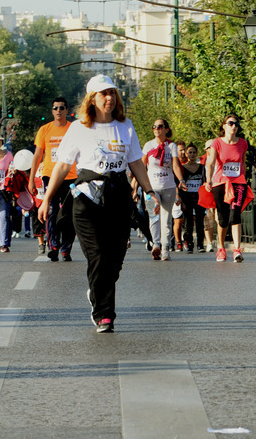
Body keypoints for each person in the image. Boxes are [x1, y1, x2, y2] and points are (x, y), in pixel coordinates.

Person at [39, 74, 154, 334]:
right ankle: (104, 314)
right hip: (87, 200)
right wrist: (47, 198)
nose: (109, 98)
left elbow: (135, 162)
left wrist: (149, 191)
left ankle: (98, 287)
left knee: (115, 259)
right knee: (98, 254)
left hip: (118, 197)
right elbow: (63, 166)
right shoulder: (79, 128)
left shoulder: (125, 126)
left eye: (112, 93)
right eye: (103, 94)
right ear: (92, 99)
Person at [31, 98, 78, 260]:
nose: (58, 110)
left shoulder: (74, 129)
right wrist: (31, 179)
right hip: (49, 176)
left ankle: (66, 248)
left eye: (62, 108)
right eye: (55, 108)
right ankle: (54, 246)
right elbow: (37, 155)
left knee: (69, 214)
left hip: (71, 176)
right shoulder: (45, 130)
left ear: (66, 110)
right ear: (52, 111)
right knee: (51, 211)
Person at [206, 113, 250, 262]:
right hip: (220, 183)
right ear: (224, 126)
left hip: (238, 182)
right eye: (230, 123)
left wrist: (244, 179)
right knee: (223, 218)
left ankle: (237, 250)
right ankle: (220, 248)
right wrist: (208, 180)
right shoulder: (216, 143)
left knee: (235, 214)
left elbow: (243, 163)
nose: (234, 126)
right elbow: (210, 163)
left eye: (236, 124)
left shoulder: (243, 143)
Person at [142, 118, 180, 260]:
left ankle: (165, 250)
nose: (157, 129)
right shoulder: (148, 145)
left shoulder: (172, 146)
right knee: (153, 216)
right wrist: (137, 185)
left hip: (168, 186)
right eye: (154, 126)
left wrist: (181, 180)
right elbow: (141, 165)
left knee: (166, 218)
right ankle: (156, 245)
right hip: (151, 188)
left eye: (160, 126)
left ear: (166, 129)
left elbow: (176, 165)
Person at [176, 142, 206, 255]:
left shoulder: (202, 168)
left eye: (194, 152)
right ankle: (189, 243)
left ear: (197, 154)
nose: (192, 155)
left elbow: (205, 182)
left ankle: (200, 244)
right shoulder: (182, 169)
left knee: (199, 220)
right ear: (186, 154)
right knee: (188, 221)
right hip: (187, 197)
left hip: (199, 197)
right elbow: (178, 184)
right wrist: (179, 198)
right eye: (190, 152)